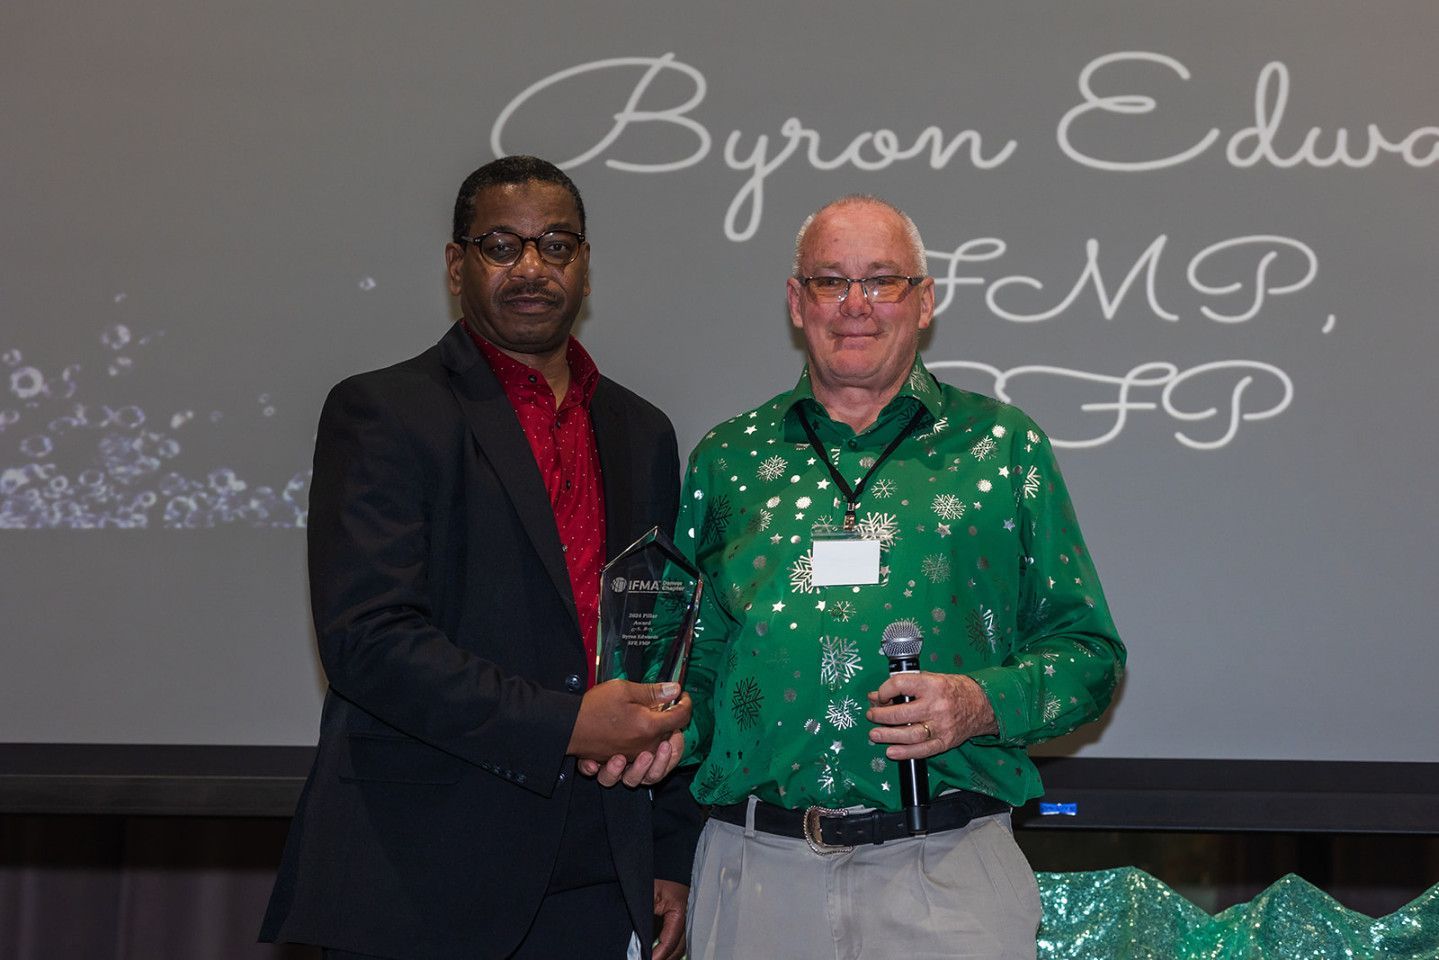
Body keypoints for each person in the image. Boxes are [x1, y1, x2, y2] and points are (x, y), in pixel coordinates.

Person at [260, 156, 701, 960]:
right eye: (501, 245)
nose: (531, 268)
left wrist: (669, 852)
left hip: (601, 870)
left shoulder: (641, 431)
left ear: (585, 265)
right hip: (423, 873)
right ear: (455, 265)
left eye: (555, 245)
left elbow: (660, 643)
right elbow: (368, 641)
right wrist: (567, 724)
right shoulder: (384, 411)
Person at [677, 195, 1126, 959]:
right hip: (756, 879)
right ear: (796, 302)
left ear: (924, 301)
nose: (855, 305)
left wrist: (980, 702)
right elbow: (695, 668)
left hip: (945, 876)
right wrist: (651, 731)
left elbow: (1090, 657)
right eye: (830, 281)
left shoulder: (1001, 447)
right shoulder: (729, 459)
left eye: (882, 280)